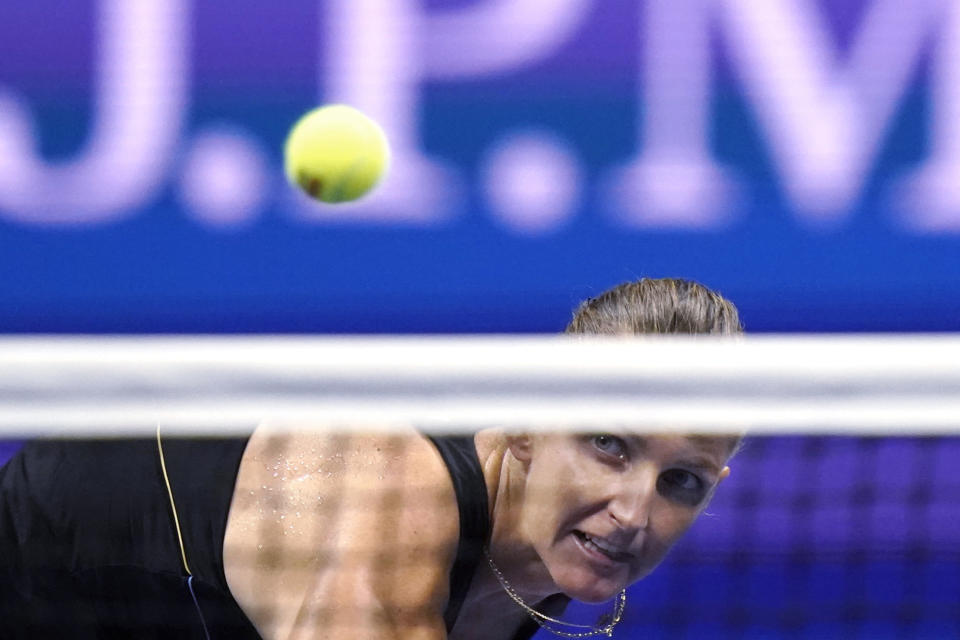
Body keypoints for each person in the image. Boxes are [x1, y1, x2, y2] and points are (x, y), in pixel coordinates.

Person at [0, 277, 742, 640]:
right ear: (527, 422)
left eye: (682, 482)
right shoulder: (396, 498)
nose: (634, 512)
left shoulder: (527, 570)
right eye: (607, 445)